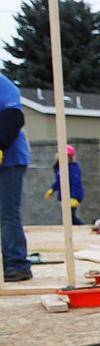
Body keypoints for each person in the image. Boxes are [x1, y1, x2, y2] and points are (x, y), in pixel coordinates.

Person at [0, 73, 32, 282]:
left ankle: (17, 265)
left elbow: (14, 116)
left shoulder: (2, 84)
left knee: (7, 213)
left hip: (9, 159)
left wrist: (0, 145)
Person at [45, 145, 85, 225]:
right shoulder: (59, 168)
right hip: (64, 196)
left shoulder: (73, 168)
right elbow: (59, 181)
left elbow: (75, 183)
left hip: (73, 196)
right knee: (67, 216)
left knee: (70, 217)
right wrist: (52, 189)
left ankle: (83, 227)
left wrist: (74, 197)